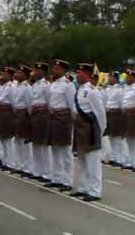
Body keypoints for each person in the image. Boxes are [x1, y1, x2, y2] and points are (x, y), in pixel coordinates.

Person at [72, 63, 106, 202]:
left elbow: (100, 113)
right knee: (83, 159)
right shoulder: (80, 90)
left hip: (91, 129)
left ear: (87, 74)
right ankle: (84, 187)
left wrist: (100, 131)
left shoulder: (92, 91)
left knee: (93, 161)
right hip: (80, 128)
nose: (77, 75)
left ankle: (95, 191)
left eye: (79, 72)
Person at [45, 60, 76, 192]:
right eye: (54, 68)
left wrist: (71, 120)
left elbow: (72, 105)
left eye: (57, 69)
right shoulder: (53, 85)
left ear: (64, 71)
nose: (54, 70)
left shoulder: (68, 85)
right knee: (55, 150)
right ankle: (56, 178)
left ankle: (67, 180)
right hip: (53, 117)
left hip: (64, 117)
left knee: (65, 150)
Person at [30, 62, 52, 183]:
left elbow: (49, 102)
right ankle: (38, 171)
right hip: (35, 115)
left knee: (44, 144)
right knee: (36, 144)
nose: (35, 72)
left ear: (43, 72)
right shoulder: (35, 85)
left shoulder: (46, 85)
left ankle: (47, 173)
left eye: (38, 70)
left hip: (43, 115)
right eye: (35, 70)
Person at [11, 65, 33, 177]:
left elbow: (29, 104)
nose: (17, 74)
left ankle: (27, 167)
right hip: (16, 113)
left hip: (24, 113)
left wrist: (29, 118)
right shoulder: (16, 86)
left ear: (25, 75)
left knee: (24, 142)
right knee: (18, 140)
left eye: (20, 73)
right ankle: (19, 165)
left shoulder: (26, 87)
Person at [104, 72, 125, 167]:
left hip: (116, 113)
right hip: (108, 113)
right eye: (109, 77)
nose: (109, 79)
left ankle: (119, 158)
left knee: (117, 138)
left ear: (116, 79)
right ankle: (113, 157)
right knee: (111, 137)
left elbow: (121, 104)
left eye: (111, 77)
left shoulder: (119, 90)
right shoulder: (107, 89)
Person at [0, 68, 16, 170]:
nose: (3, 76)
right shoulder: (5, 86)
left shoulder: (11, 86)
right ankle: (5, 161)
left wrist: (12, 114)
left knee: (8, 139)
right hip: (3, 112)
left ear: (10, 76)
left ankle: (11, 163)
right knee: (3, 138)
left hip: (8, 113)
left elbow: (13, 102)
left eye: (5, 74)